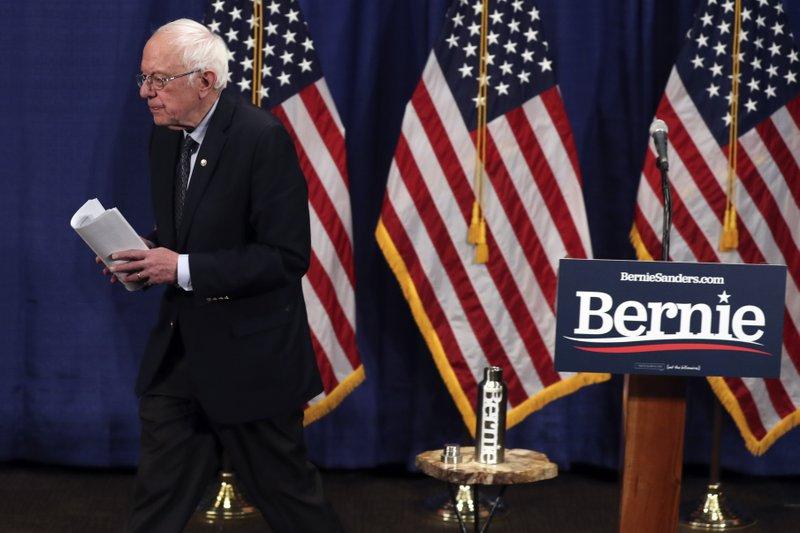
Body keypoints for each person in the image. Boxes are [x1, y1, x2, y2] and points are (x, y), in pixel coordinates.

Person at [99, 18, 343, 533]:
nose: (145, 92)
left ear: (205, 81)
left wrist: (179, 267)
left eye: (159, 80)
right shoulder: (164, 138)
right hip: (180, 355)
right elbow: (188, 231)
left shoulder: (261, 138)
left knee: (292, 505)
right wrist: (144, 254)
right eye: (144, 78)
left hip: (251, 361)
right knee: (156, 503)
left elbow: (285, 257)